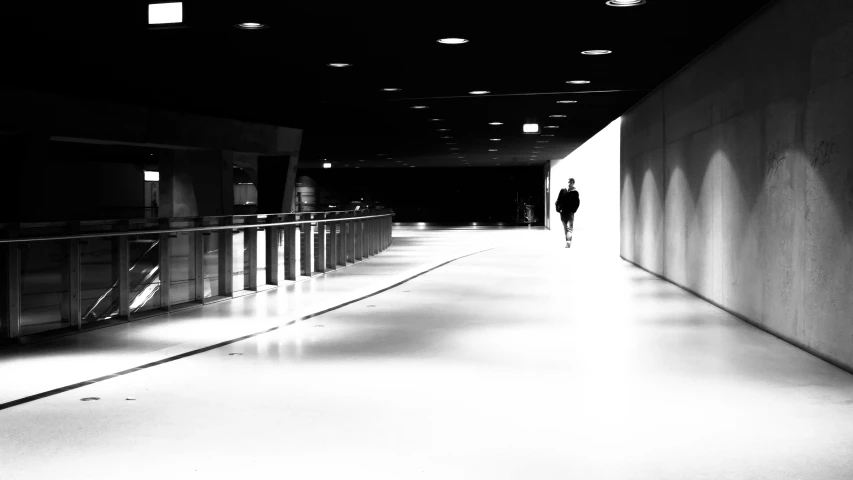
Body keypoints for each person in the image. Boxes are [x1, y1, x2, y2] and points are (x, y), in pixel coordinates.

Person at [555, 178, 580, 248]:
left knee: (569, 228)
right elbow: (558, 200)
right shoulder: (563, 191)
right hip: (562, 212)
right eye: (569, 182)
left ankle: (568, 242)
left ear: (573, 183)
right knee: (565, 228)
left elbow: (577, 203)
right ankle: (567, 241)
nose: (569, 184)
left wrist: (573, 210)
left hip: (570, 213)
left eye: (571, 182)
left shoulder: (575, 192)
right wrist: (558, 209)